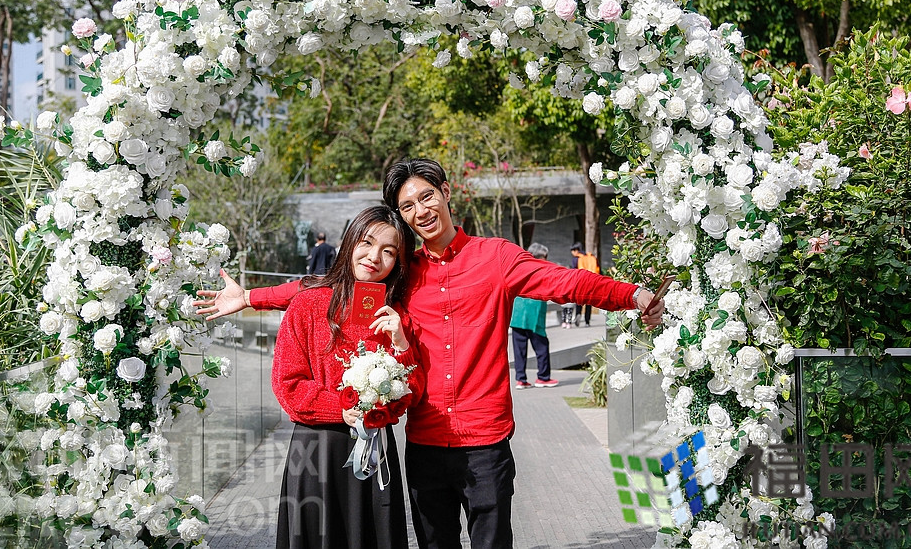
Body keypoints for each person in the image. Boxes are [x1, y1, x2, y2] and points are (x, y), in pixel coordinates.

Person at [198, 159, 664, 549]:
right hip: (424, 445)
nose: (420, 211)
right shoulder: (401, 274)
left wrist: (633, 294)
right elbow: (326, 288)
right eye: (407, 206)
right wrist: (251, 298)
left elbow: (567, 282)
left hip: (485, 443)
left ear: (445, 193)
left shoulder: (496, 257)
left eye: (426, 197)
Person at [201, 206, 422, 549]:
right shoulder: (309, 303)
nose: (374, 257)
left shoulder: (396, 316)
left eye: (389, 251)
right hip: (318, 449)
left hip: (376, 448)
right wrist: (341, 408)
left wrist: (401, 344)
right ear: (350, 242)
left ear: (398, 262)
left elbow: (412, 393)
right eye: (367, 242)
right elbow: (288, 384)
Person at [510, 242, 557, 389]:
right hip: (533, 315)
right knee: (542, 347)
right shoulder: (540, 269)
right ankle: (543, 377)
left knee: (519, 350)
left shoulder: (518, 267)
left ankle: (520, 379)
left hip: (517, 315)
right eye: (545, 256)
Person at [570, 242, 600, 326]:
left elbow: (574, 271)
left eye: (572, 251)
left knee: (579, 299)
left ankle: (578, 313)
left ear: (576, 250)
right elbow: (598, 269)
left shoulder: (576, 259)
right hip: (591, 282)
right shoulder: (591, 257)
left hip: (581, 282)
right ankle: (587, 321)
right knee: (588, 302)